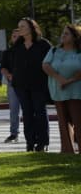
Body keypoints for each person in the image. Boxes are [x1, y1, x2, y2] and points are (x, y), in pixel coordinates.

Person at [7, 18, 52, 152]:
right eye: (18, 26)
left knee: (40, 112)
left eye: (22, 26)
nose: (20, 29)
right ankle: (30, 142)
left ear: (31, 28)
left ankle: (42, 142)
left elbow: (50, 62)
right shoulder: (17, 45)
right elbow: (12, 62)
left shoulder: (43, 44)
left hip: (39, 84)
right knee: (27, 113)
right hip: (21, 85)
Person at [42, 24, 81, 154]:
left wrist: (69, 80)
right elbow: (45, 65)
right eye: (62, 33)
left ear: (75, 37)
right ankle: (67, 150)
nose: (62, 36)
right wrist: (59, 78)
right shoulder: (54, 50)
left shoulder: (78, 52)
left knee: (78, 120)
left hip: (76, 92)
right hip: (58, 91)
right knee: (63, 122)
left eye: (66, 34)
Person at [0, 29, 24, 142]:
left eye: (18, 36)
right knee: (14, 109)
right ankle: (14, 133)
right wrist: (8, 75)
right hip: (12, 83)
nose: (15, 38)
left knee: (29, 109)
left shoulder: (27, 50)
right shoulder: (7, 52)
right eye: (14, 36)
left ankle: (33, 132)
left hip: (26, 83)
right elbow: (3, 67)